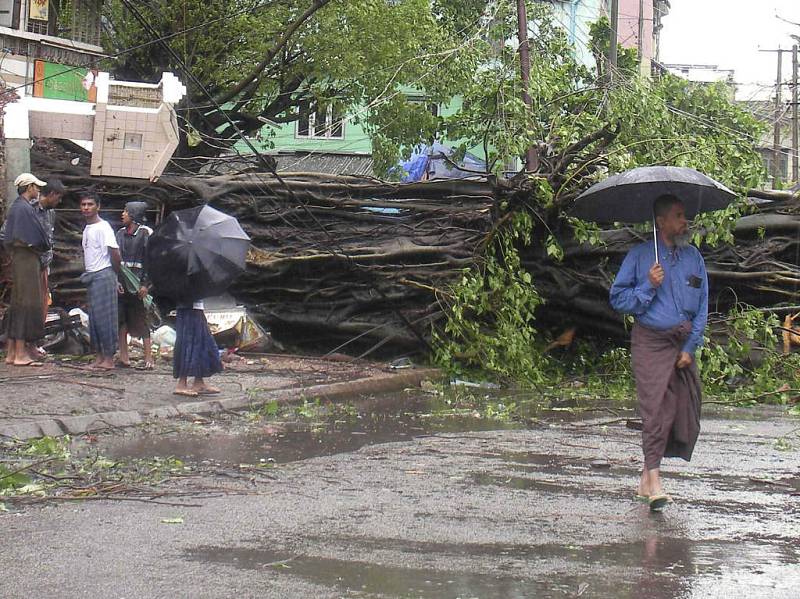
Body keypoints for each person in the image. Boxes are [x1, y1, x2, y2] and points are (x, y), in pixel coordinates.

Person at [609, 193, 708, 512]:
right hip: (650, 342)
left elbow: (703, 305)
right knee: (655, 412)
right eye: (678, 216)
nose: (685, 222)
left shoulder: (694, 258)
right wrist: (648, 286)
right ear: (661, 222)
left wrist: (691, 346)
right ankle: (655, 482)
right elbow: (618, 300)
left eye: (684, 215)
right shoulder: (641, 257)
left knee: (682, 412)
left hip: (681, 343)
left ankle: (644, 477)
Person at [2, 173, 50, 366]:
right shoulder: (23, 209)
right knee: (26, 303)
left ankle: (12, 352)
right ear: (29, 187)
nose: (38, 190)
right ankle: (20, 353)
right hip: (26, 259)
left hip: (20, 259)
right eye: (36, 187)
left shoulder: (18, 208)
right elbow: (30, 238)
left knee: (17, 302)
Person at [79, 192, 121, 370]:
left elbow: (115, 253)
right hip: (91, 276)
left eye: (90, 204)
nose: (86, 208)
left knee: (106, 318)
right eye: (83, 205)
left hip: (103, 275)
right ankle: (98, 357)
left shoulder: (104, 228)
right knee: (94, 318)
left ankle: (109, 358)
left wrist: (115, 275)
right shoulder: (87, 229)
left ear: (98, 206)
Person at [29, 178, 66, 356]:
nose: (58, 202)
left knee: (42, 306)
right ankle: (24, 346)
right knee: (29, 306)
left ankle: (34, 343)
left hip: (45, 266)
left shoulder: (51, 213)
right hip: (30, 266)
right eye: (58, 198)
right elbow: (6, 234)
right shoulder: (29, 209)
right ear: (51, 194)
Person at [116, 201, 154, 369]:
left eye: (126, 211)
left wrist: (146, 284)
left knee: (142, 319)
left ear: (133, 214)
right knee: (122, 319)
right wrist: (116, 280)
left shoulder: (146, 234)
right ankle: (124, 357)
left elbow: (152, 262)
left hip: (138, 283)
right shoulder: (119, 234)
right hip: (122, 283)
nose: (122, 214)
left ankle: (148, 358)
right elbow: (115, 260)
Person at [173, 299, 222, 397]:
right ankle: (181, 384)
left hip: (196, 306)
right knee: (188, 344)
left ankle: (198, 382)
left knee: (202, 345)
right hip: (188, 307)